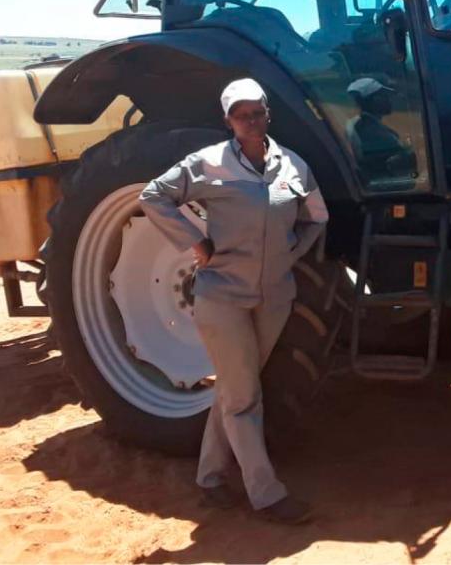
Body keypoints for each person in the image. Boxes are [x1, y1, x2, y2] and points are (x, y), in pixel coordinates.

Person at [138, 78, 328, 525]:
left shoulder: (293, 166)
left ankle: (209, 477)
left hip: (275, 297)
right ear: (228, 120)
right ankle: (266, 493)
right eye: (241, 114)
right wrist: (196, 244)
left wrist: (292, 253)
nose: (251, 120)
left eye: (257, 112)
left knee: (234, 386)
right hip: (223, 299)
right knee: (244, 396)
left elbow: (317, 215)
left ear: (268, 113)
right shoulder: (207, 164)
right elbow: (153, 197)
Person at [345, 77, 418, 183]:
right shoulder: (369, 129)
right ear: (375, 99)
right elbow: (398, 158)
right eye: (384, 96)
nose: (389, 100)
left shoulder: (358, 123)